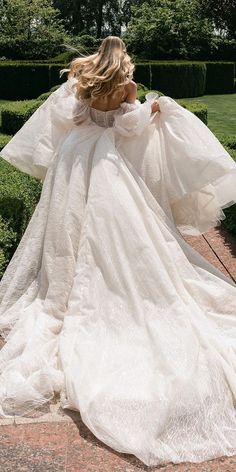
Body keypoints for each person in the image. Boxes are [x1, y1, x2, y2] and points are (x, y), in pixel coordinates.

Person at [0, 36, 235, 467]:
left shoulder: (81, 79)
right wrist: (154, 108)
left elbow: (69, 116)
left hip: (74, 159)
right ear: (123, 59)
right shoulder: (126, 86)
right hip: (108, 162)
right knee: (124, 230)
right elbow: (128, 128)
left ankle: (65, 286)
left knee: (65, 230)